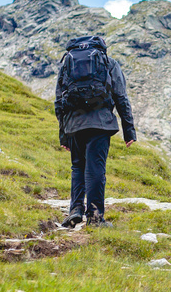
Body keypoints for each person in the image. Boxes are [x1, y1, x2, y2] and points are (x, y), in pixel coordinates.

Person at [55, 35, 137, 228]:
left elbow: (59, 101)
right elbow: (121, 97)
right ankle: (95, 218)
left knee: (78, 167)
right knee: (96, 169)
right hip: (100, 123)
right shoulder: (109, 63)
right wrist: (129, 131)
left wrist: (64, 135)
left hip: (74, 125)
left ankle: (75, 210)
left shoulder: (67, 64)